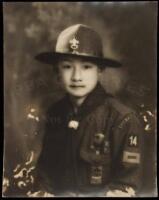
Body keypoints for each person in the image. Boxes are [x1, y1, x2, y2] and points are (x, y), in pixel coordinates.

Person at [30, 24, 143, 197]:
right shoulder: (55, 113)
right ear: (57, 73)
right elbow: (46, 177)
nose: (76, 76)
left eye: (87, 66)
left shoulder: (122, 119)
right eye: (67, 66)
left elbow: (125, 187)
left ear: (100, 70)